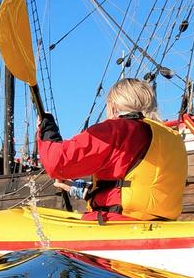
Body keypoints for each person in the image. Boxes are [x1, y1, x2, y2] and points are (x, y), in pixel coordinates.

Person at [37, 78, 186, 223]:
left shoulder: (117, 130)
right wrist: (78, 188)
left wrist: (47, 130)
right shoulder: (171, 135)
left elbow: (57, 163)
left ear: (113, 106)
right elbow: (130, 184)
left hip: (118, 223)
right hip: (159, 224)